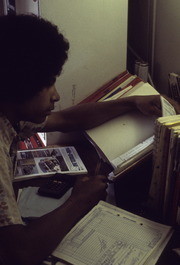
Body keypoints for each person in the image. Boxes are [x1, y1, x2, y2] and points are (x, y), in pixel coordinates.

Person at [0, 14, 179, 265]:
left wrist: (130, 102)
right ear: (21, 84)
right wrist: (79, 199)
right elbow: (20, 253)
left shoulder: (9, 110)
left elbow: (65, 120)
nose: (57, 94)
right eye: (49, 84)